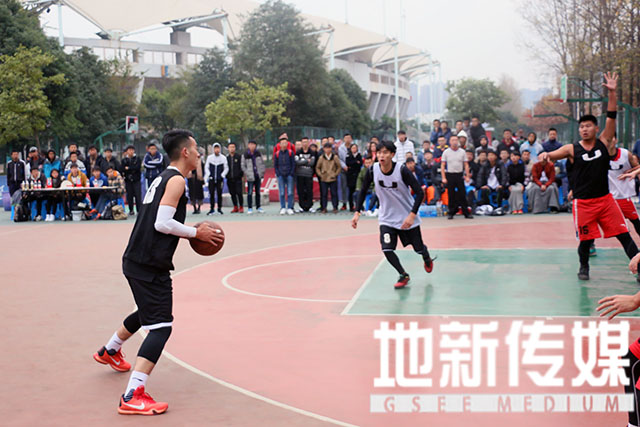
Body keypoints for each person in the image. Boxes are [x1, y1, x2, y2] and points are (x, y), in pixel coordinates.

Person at [93, 129, 222, 415]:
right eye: (196, 149)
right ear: (185, 152)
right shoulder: (176, 180)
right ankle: (132, 395)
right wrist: (196, 233)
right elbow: (161, 223)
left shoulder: (163, 177)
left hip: (138, 260)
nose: (199, 153)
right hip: (148, 263)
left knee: (147, 312)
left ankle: (110, 351)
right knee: (161, 326)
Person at [539, 71, 639, 281]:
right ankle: (584, 267)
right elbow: (553, 155)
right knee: (585, 240)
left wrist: (612, 93)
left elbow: (611, 115)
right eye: (581, 127)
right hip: (583, 203)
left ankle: (639, 267)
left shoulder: (603, 142)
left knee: (624, 235)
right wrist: (546, 156)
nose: (584, 129)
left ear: (596, 128)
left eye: (588, 126)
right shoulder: (571, 149)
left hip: (606, 200)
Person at [351, 140, 435, 289]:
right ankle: (403, 274)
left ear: (392, 154)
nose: (381, 156)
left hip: (406, 216)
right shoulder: (373, 170)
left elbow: (420, 192)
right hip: (387, 218)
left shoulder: (402, 170)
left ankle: (426, 256)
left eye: (385, 152)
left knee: (418, 248)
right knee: (387, 249)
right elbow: (363, 191)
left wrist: (412, 215)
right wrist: (357, 212)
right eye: (379, 153)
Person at [607, 138, 640, 236]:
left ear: (616, 140)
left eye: (611, 138)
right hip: (607, 198)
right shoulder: (600, 155)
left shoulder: (625, 154)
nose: (609, 141)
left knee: (636, 221)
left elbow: (638, 167)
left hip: (624, 196)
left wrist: (632, 171)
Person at [441, 135, 473, 219]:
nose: (455, 142)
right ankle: (451, 212)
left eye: (456, 140)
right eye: (453, 140)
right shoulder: (446, 152)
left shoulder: (462, 152)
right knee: (451, 194)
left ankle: (466, 212)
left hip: (459, 175)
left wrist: (467, 176)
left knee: (462, 194)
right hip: (450, 175)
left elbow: (466, 165)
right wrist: (443, 177)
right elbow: (443, 165)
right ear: (449, 142)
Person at [315, 141, 342, 213]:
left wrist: (335, 174)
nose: (328, 150)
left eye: (329, 148)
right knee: (324, 194)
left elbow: (339, 167)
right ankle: (324, 208)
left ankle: (335, 207)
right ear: (324, 149)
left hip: (333, 178)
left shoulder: (335, 157)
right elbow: (317, 167)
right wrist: (320, 174)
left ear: (331, 149)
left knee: (334, 193)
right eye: (326, 148)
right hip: (324, 178)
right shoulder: (321, 158)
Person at [242, 140, 265, 214]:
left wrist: (261, 172)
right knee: (249, 192)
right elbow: (243, 166)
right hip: (250, 177)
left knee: (258, 192)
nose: (252, 146)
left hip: (258, 175)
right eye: (250, 144)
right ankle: (250, 208)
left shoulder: (258, 154)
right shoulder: (245, 154)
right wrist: (247, 173)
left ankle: (258, 207)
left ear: (255, 145)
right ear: (248, 145)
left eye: (253, 144)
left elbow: (262, 164)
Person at [204, 143, 228, 215]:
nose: (216, 150)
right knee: (211, 194)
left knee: (219, 194)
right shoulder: (209, 158)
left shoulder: (223, 158)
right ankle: (212, 209)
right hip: (211, 179)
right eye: (215, 148)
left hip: (219, 180)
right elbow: (206, 167)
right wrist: (209, 175)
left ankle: (219, 209)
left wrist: (222, 175)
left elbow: (226, 168)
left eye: (218, 148)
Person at [274, 137, 296, 215]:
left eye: (285, 143)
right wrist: (278, 174)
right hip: (280, 176)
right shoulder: (277, 154)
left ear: (287, 144)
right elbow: (275, 165)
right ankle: (283, 207)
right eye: (282, 143)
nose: (283, 144)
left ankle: (289, 207)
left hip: (289, 175)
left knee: (290, 192)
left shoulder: (290, 153)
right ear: (279, 145)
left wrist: (291, 173)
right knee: (282, 192)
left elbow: (293, 164)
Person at [295, 136, 316, 213]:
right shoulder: (298, 152)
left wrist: (303, 161)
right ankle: (302, 206)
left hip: (309, 175)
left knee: (309, 191)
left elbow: (312, 163)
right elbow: (297, 162)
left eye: (306, 142)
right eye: (303, 142)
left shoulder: (312, 152)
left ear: (308, 143)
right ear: (301, 143)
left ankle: (309, 206)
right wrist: (307, 161)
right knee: (300, 191)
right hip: (300, 174)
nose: (304, 144)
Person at [121, 145, 142, 216]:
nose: (131, 151)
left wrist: (129, 168)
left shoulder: (137, 159)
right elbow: (123, 169)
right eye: (129, 150)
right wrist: (130, 168)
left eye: (132, 150)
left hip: (136, 180)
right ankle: (131, 210)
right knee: (129, 195)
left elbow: (137, 168)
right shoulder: (124, 160)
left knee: (138, 195)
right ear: (127, 151)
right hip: (128, 180)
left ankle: (139, 210)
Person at [226, 142, 244, 213]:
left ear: (235, 148)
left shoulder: (239, 157)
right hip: (229, 179)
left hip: (238, 179)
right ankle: (235, 207)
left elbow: (242, 167)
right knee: (232, 193)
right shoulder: (226, 158)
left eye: (233, 147)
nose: (232, 149)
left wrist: (240, 175)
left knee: (239, 192)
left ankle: (241, 207)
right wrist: (227, 176)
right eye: (230, 147)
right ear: (228, 148)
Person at [337, 134, 354, 211]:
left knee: (353, 188)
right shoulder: (340, 148)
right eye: (346, 138)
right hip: (344, 170)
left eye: (349, 138)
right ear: (343, 139)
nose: (347, 139)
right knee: (344, 187)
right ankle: (344, 203)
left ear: (351, 139)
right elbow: (339, 159)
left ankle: (353, 204)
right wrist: (344, 166)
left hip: (352, 171)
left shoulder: (354, 147)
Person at [187, 147, 205, 214]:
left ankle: (199, 207)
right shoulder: (188, 159)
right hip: (191, 178)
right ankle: (194, 208)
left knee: (199, 193)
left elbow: (203, 169)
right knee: (192, 193)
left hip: (198, 178)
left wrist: (201, 177)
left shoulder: (200, 160)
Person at [346, 143, 363, 212]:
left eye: (355, 148)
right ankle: (351, 206)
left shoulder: (359, 155)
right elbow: (348, 163)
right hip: (350, 176)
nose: (354, 149)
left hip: (357, 175)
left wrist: (354, 163)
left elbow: (360, 163)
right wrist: (355, 162)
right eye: (352, 148)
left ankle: (358, 206)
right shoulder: (348, 155)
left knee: (358, 191)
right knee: (350, 192)